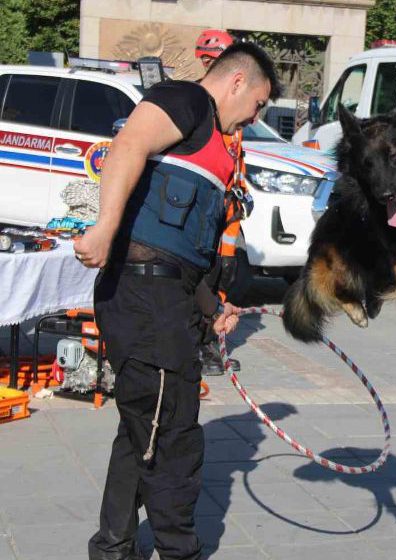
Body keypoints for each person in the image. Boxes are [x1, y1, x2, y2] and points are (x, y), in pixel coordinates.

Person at [75, 42, 280, 560]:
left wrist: (214, 309)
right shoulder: (186, 101)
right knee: (174, 438)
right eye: (258, 104)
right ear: (237, 83)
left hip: (164, 294)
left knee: (142, 426)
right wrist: (105, 227)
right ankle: (178, 551)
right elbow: (127, 146)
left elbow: (182, 254)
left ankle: (113, 547)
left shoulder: (213, 140)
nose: (254, 117)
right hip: (145, 298)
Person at [194, 29, 253, 376]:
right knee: (202, 275)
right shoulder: (201, 101)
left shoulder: (233, 101)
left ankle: (211, 344)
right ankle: (201, 347)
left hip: (229, 209)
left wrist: (242, 191)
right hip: (209, 206)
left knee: (224, 273)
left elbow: (237, 156)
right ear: (207, 60)